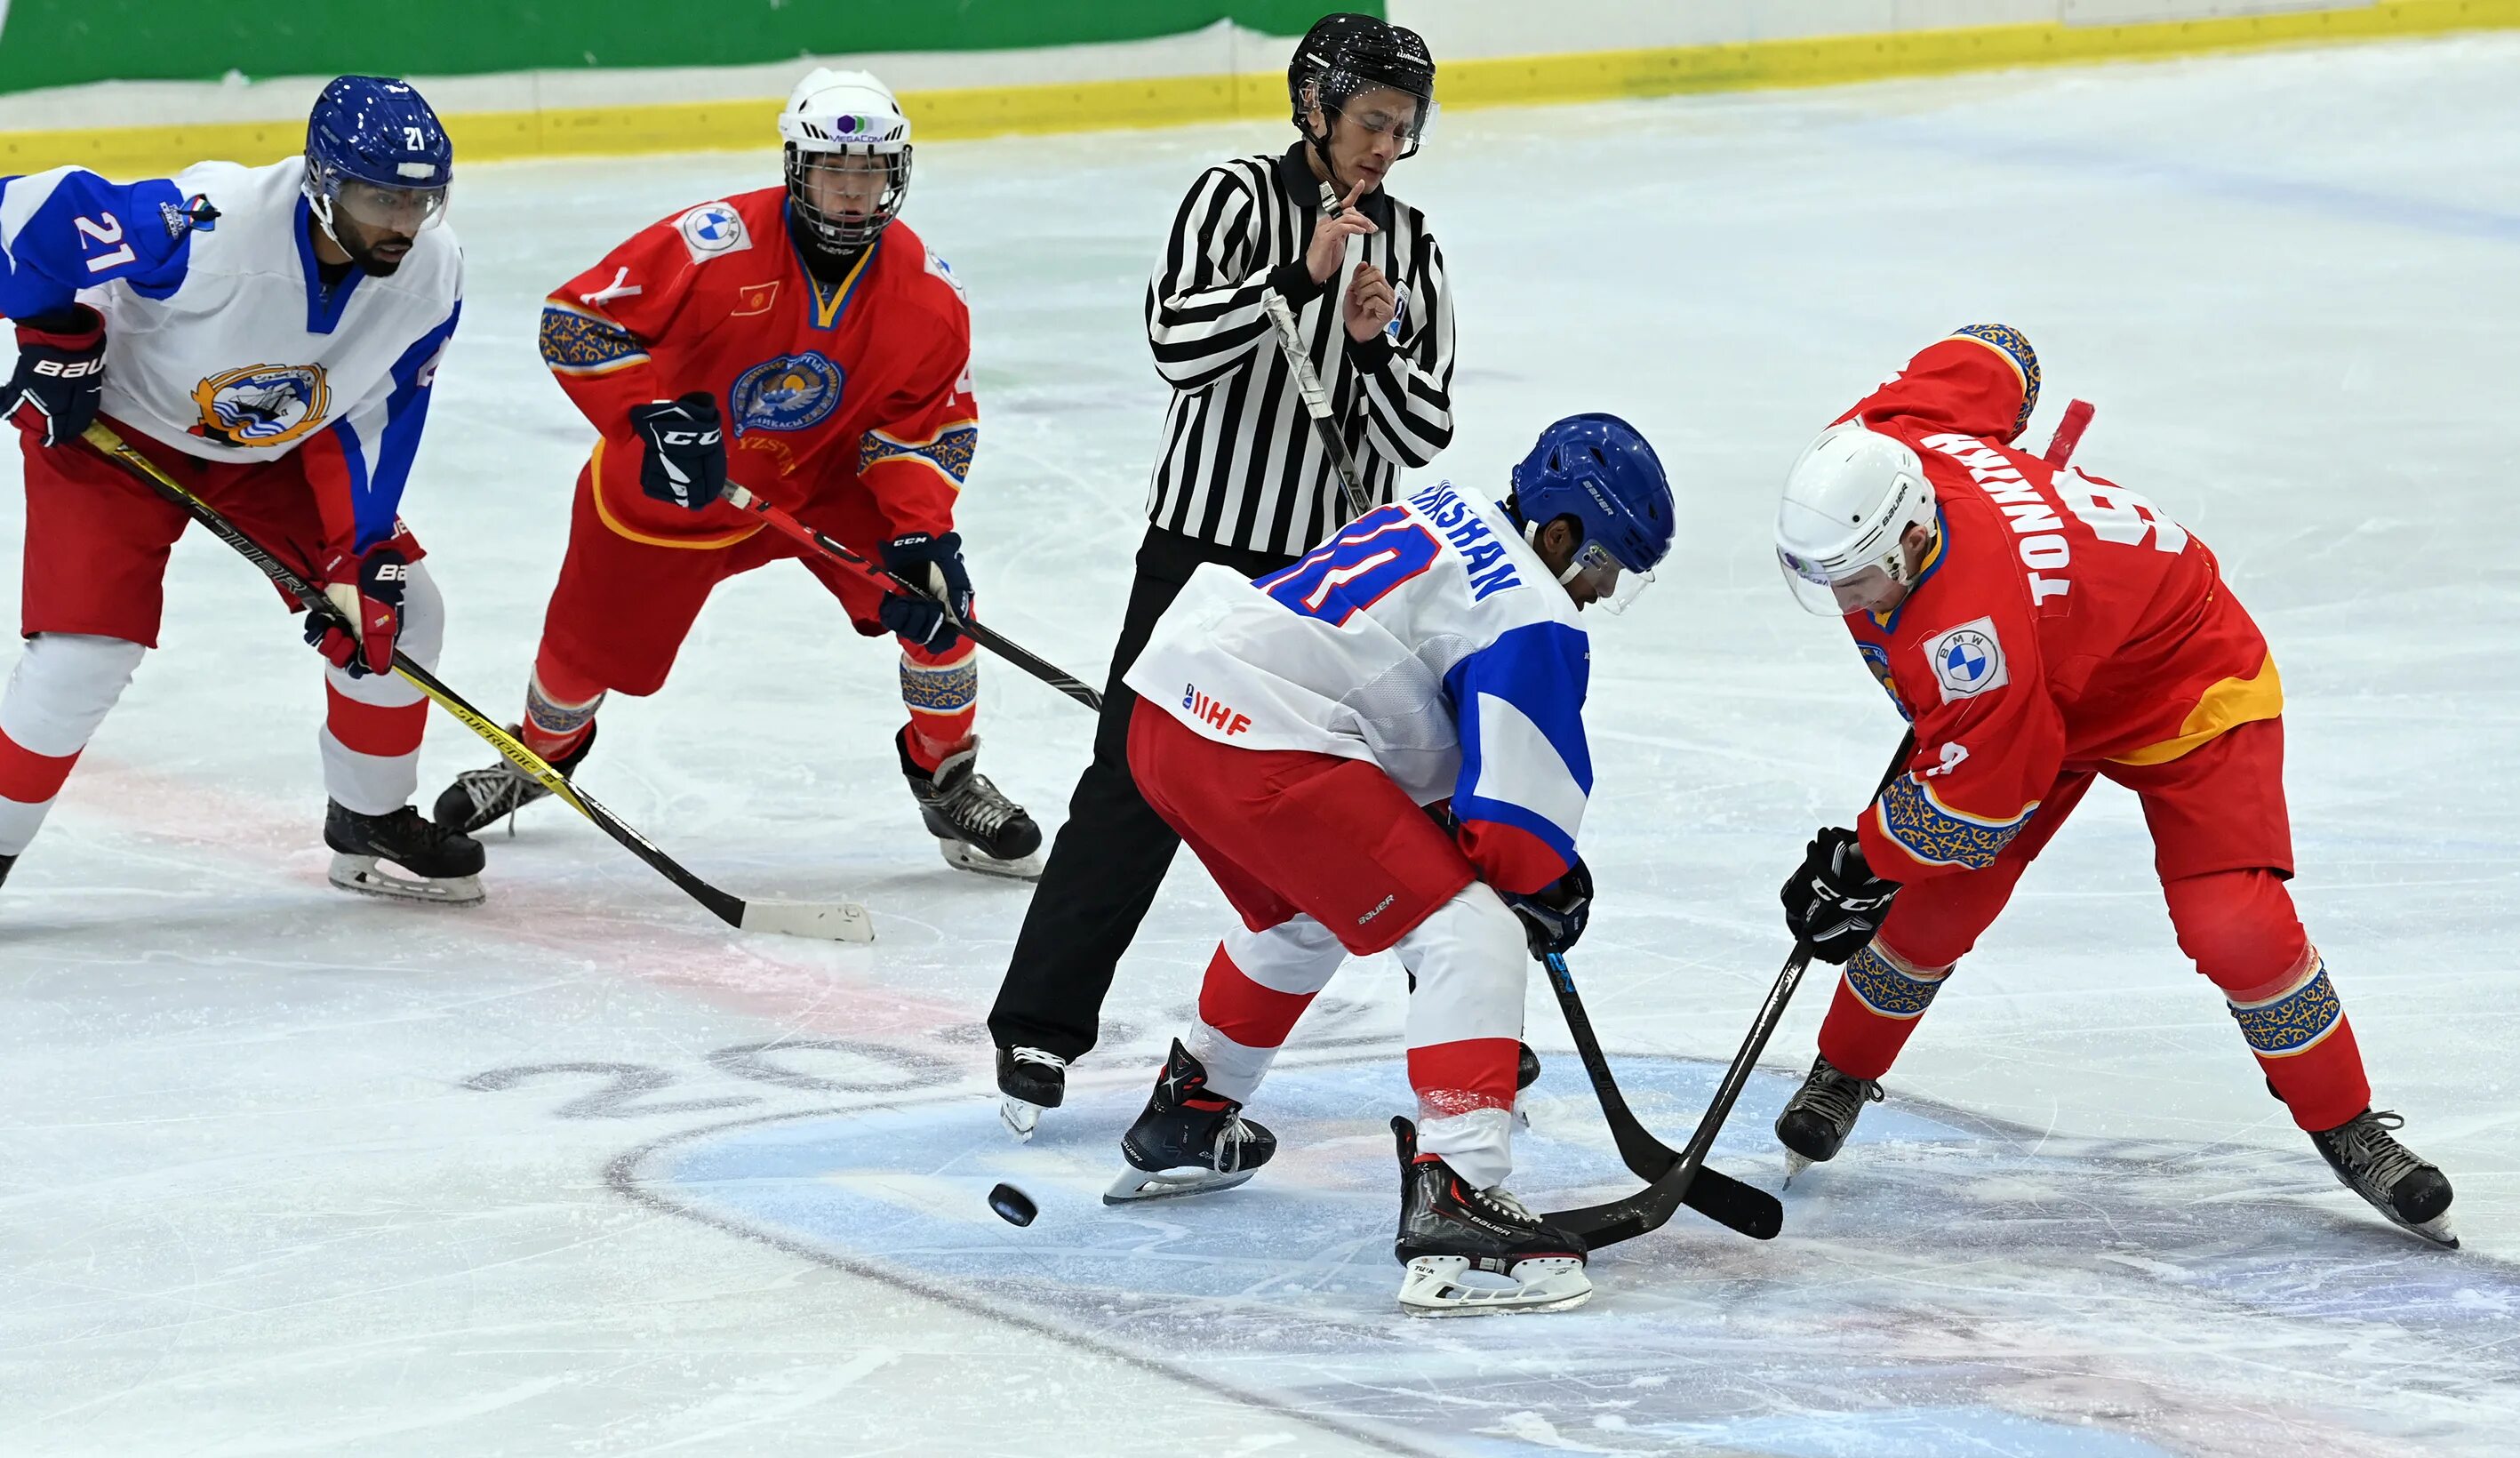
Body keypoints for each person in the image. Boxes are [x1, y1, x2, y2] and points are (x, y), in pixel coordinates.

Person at [1769, 325, 2456, 1246]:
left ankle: (2347, 1123)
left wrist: (1868, 855)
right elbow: (1998, 350)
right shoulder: (1885, 435)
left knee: (2235, 925)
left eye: (1858, 576)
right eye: (1823, 578)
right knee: (1932, 913)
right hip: (2051, 679)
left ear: (1911, 529)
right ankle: (1841, 1068)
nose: (1849, 599)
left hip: (2182, 677)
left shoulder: (1969, 634)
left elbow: (1974, 812)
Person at [989, 12, 1458, 1134]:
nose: (1384, 146)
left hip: (1338, 564)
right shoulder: (1236, 198)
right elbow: (1176, 348)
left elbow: (1426, 425)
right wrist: (1299, 281)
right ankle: (1038, 1026)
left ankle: (1457, 1009)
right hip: (1203, 551)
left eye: (1403, 127)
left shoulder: (1418, 243)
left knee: (1383, 790)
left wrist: (1373, 342)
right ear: (1315, 108)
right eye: (1369, 122)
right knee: (1133, 782)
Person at [1103, 414, 1673, 1316]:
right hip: (1267, 750)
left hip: (1171, 720)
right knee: (1469, 930)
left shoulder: (1450, 513)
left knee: (1302, 912)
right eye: (1604, 563)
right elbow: (1513, 833)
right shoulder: (1534, 606)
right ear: (1561, 532)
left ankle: (1191, 1109)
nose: (1601, 590)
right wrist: (1544, 882)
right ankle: (1459, 1189)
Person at [430, 69, 1041, 877]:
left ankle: (946, 774)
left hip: (825, 478)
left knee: (938, 610)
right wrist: (650, 418)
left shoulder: (927, 293)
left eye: (871, 173)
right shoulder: (711, 242)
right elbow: (577, 322)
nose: (853, 194)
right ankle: (541, 756)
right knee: (582, 655)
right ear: (797, 167)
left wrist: (921, 522)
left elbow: (929, 424)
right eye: (834, 171)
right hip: (676, 485)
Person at [0, 76, 477, 902]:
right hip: (119, 432)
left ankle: (368, 815)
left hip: (274, 448)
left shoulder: (432, 275)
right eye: (379, 198)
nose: (403, 223)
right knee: (83, 656)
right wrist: (55, 331)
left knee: (400, 609)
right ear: (323, 182)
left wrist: (357, 556)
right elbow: (22, 218)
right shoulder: (203, 222)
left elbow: (385, 412)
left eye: (421, 201)